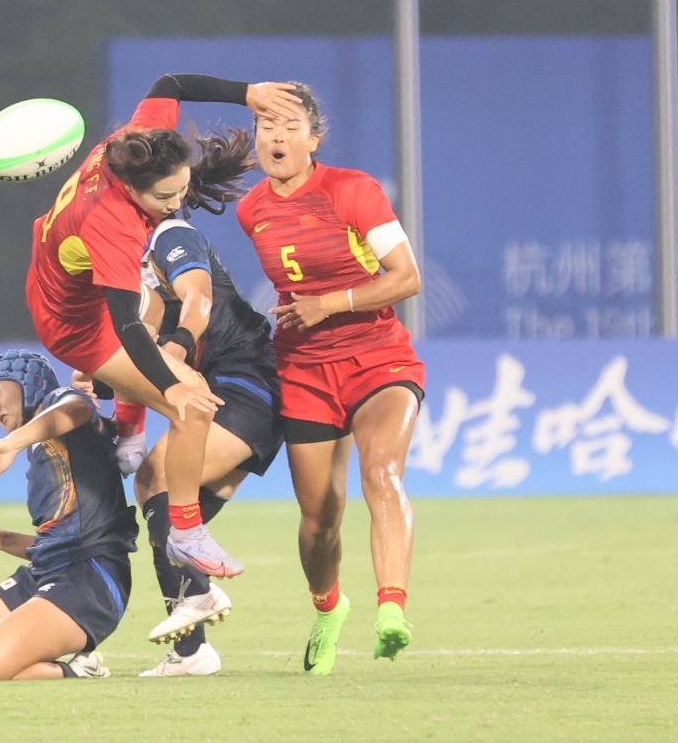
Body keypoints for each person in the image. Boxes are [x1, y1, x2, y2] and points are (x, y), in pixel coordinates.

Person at [26, 73, 301, 580]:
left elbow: (168, 84)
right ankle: (186, 533)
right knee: (193, 404)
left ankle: (129, 431)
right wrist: (173, 386)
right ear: (133, 189)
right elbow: (126, 327)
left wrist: (248, 95)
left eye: (182, 188)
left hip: (67, 287)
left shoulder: (136, 144)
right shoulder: (111, 222)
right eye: (163, 198)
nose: (176, 205)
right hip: (75, 324)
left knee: (161, 323)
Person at [236, 83, 425, 676]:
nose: (276, 137)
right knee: (319, 521)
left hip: (378, 360)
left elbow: (406, 277)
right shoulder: (251, 210)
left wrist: (331, 303)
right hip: (305, 371)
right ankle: (327, 609)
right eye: (267, 126)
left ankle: (391, 609)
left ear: (314, 139)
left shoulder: (353, 190)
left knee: (381, 471)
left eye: (290, 127)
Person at [112, 190, 284, 677]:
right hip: (224, 389)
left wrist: (177, 348)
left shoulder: (171, 234)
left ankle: (200, 600)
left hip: (246, 382)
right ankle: (191, 654)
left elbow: (198, 299)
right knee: (162, 517)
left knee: (157, 481)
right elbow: (135, 351)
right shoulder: (129, 269)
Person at [0, 350, 138, 681]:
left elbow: (75, 409)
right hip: (45, 574)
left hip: (92, 580)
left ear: (29, 382)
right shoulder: (39, 448)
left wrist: (11, 443)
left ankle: (79, 670)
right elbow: (56, 542)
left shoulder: (63, 405)